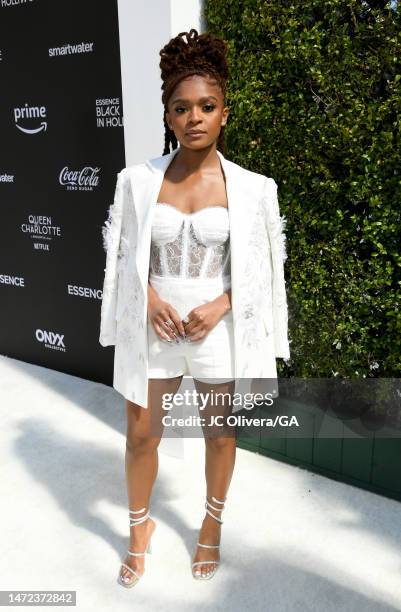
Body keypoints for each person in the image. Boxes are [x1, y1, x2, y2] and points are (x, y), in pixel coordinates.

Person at [99, 28, 290, 587]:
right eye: (181, 108)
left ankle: (211, 528)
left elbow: (263, 273)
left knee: (219, 435)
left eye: (207, 106)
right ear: (168, 114)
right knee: (140, 434)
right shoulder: (136, 182)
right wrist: (153, 299)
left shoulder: (254, 189)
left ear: (225, 112)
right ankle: (140, 530)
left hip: (216, 330)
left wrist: (222, 305)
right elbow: (124, 258)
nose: (194, 118)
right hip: (154, 327)